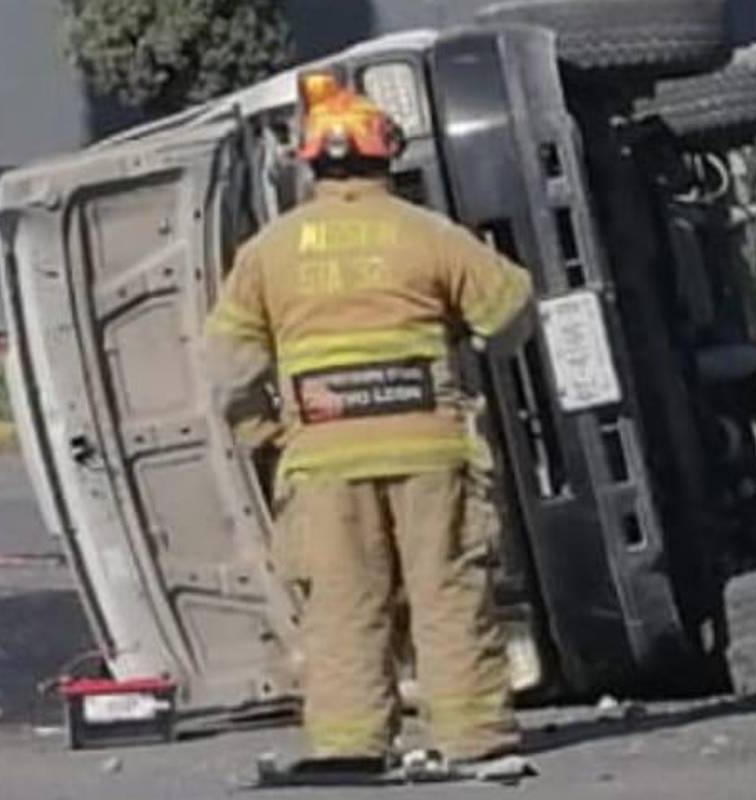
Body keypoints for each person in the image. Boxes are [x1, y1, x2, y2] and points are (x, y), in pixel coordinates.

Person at [203, 71, 533, 771]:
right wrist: (476, 348)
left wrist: (266, 432)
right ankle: (475, 741)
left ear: (310, 162)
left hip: (323, 461)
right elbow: (509, 308)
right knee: (449, 592)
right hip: (430, 452)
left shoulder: (269, 250)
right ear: (388, 156)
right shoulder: (429, 235)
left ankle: (351, 746)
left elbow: (228, 365)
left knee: (343, 605)